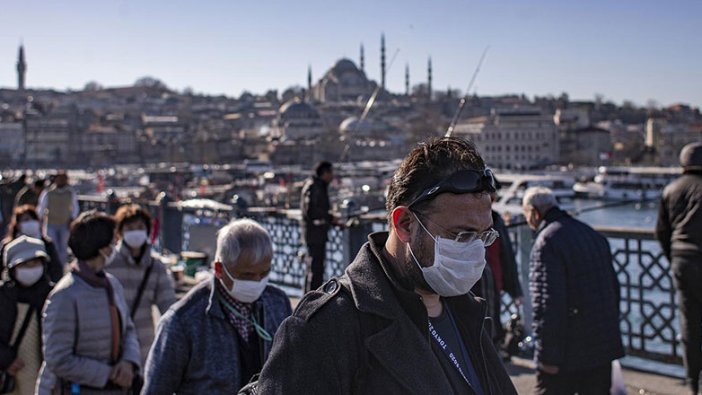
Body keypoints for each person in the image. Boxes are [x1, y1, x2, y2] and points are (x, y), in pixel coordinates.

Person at [252, 137, 517, 394]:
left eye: (484, 236)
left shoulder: (468, 310)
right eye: (461, 235)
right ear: (405, 224)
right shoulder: (327, 329)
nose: (475, 250)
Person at [142, 219, 292, 394]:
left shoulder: (277, 303)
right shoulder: (183, 321)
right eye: (247, 275)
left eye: (264, 273)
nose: (257, 281)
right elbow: (156, 388)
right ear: (220, 269)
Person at [522, 186, 624, 395]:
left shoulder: (546, 242)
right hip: (602, 348)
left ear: (534, 212)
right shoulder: (591, 234)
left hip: (567, 354)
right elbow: (613, 290)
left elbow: (547, 304)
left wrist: (547, 356)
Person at [37, 211, 141, 395]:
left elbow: (128, 330)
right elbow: (58, 358)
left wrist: (128, 362)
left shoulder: (112, 284)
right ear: (102, 248)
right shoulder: (65, 295)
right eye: (112, 241)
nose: (115, 246)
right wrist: (108, 374)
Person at [656, 142, 702, 394]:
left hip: (682, 261)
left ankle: (693, 381)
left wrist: (673, 257)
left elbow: (662, 232)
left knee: (689, 323)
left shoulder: (671, 189)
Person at [105, 204, 176, 365]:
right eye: (130, 228)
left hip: (143, 345)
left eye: (140, 227)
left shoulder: (155, 266)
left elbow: (169, 307)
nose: (135, 232)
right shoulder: (108, 263)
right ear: (120, 231)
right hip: (111, 344)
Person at [472, 183, 523, 353]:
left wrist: (515, 290)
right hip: (474, 284)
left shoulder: (497, 220)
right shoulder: (467, 219)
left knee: (491, 328)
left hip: (493, 282)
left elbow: (506, 255)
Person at [0, 236, 53, 395]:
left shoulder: (55, 295)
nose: (31, 269)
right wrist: (5, 359)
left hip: (45, 377)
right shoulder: (3, 296)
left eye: (35, 263)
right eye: (25, 264)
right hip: (9, 378)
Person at [1, 205, 63, 283]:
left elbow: (56, 269)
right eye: (26, 220)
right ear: (17, 225)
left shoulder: (47, 244)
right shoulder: (8, 246)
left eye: (34, 219)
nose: (31, 222)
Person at [300, 160, 336, 292]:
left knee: (313, 268)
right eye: (331, 172)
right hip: (315, 234)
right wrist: (329, 217)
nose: (332, 176)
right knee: (315, 269)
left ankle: (308, 298)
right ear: (324, 173)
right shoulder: (315, 187)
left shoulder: (316, 185)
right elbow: (312, 211)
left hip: (315, 233)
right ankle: (312, 301)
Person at [36, 171, 79, 266]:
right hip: (51, 223)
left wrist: (72, 219)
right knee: (53, 246)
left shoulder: (70, 193)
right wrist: (39, 220)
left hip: (65, 224)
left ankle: (62, 266)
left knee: (63, 247)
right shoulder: (48, 192)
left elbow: (75, 208)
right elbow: (41, 208)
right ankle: (54, 266)